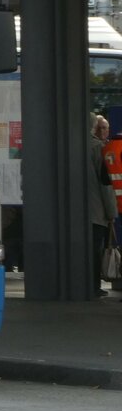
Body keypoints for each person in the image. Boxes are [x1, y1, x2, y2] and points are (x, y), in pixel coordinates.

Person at [90, 114, 116, 295]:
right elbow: (105, 185)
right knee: (95, 249)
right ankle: (93, 286)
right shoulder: (99, 149)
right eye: (101, 127)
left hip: (78, 211)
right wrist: (112, 212)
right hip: (96, 209)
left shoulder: (72, 144)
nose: (105, 131)